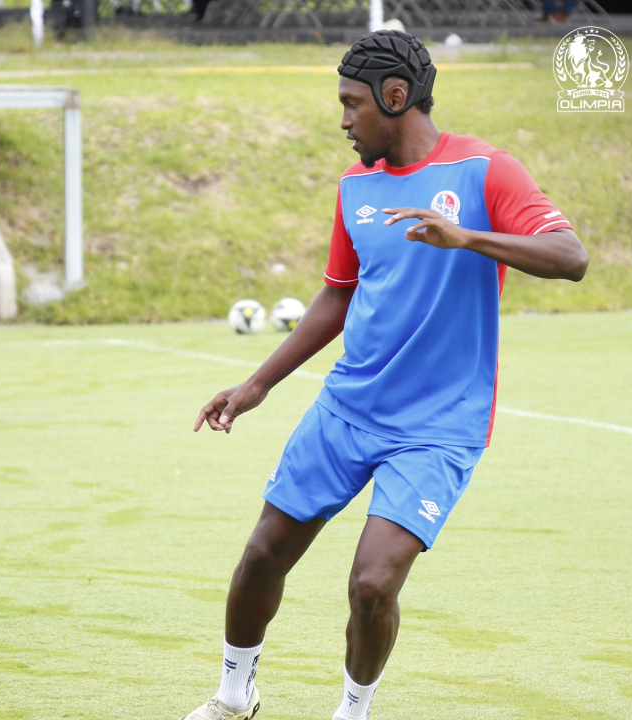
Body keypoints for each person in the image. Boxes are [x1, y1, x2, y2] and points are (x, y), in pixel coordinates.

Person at [183, 30, 588, 720]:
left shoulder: (486, 171)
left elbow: (569, 255)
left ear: (395, 97)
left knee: (372, 584)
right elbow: (339, 294)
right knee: (261, 557)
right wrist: (258, 384)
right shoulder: (356, 185)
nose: (342, 121)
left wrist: (468, 237)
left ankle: (353, 712)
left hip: (438, 427)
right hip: (348, 409)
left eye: (351, 104)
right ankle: (232, 696)